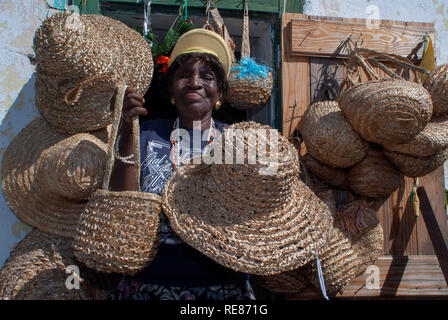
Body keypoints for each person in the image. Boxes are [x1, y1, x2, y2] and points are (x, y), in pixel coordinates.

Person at [108, 29, 256, 300]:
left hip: (223, 290)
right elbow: (122, 204)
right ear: (171, 88)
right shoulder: (148, 134)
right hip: (146, 286)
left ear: (220, 91)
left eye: (207, 76)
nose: (195, 82)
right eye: (184, 74)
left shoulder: (240, 142)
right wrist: (127, 134)